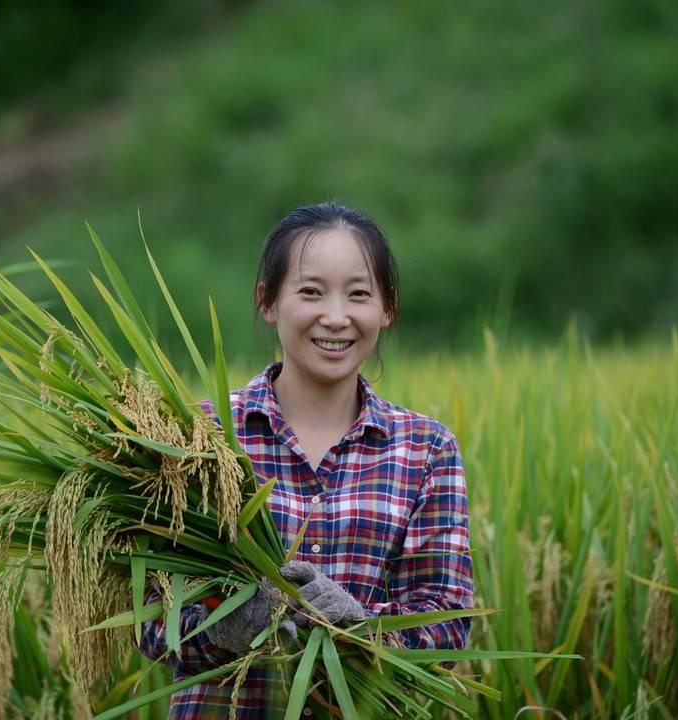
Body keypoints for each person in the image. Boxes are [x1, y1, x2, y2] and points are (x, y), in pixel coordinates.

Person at [139, 202, 474, 719]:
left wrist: (359, 626)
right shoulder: (199, 438)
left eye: (358, 294)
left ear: (387, 308)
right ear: (268, 302)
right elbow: (150, 618)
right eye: (311, 292)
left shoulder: (425, 450)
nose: (336, 317)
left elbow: (448, 624)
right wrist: (220, 628)